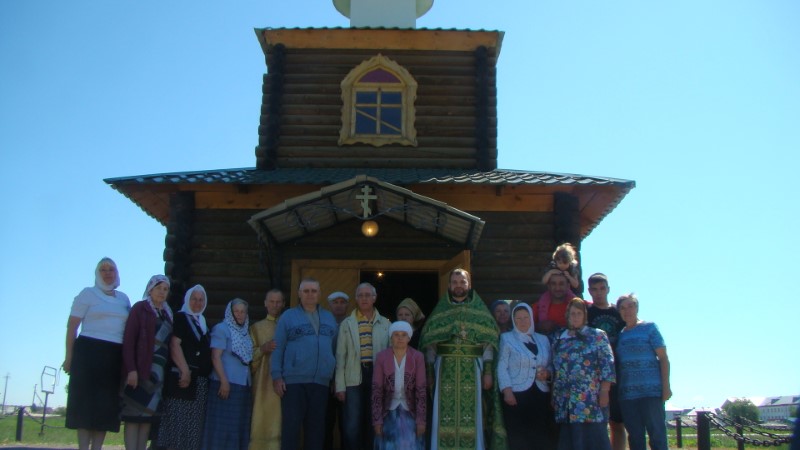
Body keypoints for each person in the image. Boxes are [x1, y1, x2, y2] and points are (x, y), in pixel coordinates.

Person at [419, 268, 506, 450]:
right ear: (449, 285)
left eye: (462, 282)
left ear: (469, 284)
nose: (458, 286)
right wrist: (429, 373)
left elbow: (488, 344)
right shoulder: (440, 311)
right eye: (455, 282)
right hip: (445, 370)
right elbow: (430, 344)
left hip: (473, 369)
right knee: (443, 413)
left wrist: (488, 372)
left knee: (473, 413)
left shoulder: (479, 311)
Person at [64, 257, 131, 450]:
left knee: (105, 406)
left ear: (117, 273)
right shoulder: (87, 294)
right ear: (97, 273)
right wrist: (69, 357)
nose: (108, 273)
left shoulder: (124, 299)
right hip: (88, 353)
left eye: (111, 269)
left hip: (113, 355)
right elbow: (72, 327)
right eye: (103, 269)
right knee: (85, 405)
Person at [272, 278, 337, 450]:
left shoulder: (329, 318)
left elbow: (335, 349)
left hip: (321, 383)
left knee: (316, 430)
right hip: (294, 383)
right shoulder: (288, 317)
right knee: (291, 428)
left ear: (319, 294)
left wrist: (334, 377)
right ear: (299, 294)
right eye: (306, 291)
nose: (310, 294)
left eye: (313, 291)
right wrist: (276, 376)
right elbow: (278, 347)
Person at [551, 298, 615, 450]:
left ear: (585, 315)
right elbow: (554, 368)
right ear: (567, 315)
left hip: (590, 400)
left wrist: (604, 391)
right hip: (565, 401)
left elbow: (607, 364)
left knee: (593, 441)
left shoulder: (597, 335)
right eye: (572, 313)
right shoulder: (559, 338)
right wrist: (553, 395)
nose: (575, 317)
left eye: (579, 313)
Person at [336, 283, 391, 450]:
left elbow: (389, 356)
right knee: (352, 424)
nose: (364, 298)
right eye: (360, 295)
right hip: (353, 376)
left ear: (374, 298)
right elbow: (340, 357)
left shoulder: (385, 324)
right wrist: (340, 386)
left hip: (377, 376)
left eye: (368, 295)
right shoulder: (347, 324)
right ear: (356, 298)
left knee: (374, 421)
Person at [121, 274, 174, 450]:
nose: (162, 292)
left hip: (158, 374)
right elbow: (129, 340)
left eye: (165, 289)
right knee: (133, 417)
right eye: (158, 288)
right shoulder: (140, 308)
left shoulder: (167, 313)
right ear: (150, 289)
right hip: (140, 369)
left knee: (147, 419)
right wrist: (131, 369)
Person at [157, 284, 212, 450]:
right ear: (188, 300)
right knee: (178, 423)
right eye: (194, 299)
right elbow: (175, 344)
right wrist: (185, 370)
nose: (197, 303)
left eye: (201, 300)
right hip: (182, 378)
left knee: (193, 427)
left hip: (199, 381)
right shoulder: (181, 318)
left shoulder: (203, 322)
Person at [616, 294, 671, 450]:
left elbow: (663, 358)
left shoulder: (649, 328)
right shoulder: (620, 335)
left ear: (637, 308)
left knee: (657, 436)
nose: (627, 311)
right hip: (628, 395)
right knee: (635, 438)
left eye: (630, 306)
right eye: (623, 308)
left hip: (651, 392)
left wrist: (666, 387)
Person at [497, 303, 554, 450]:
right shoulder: (506, 338)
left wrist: (547, 373)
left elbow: (551, 364)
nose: (523, 321)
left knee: (540, 435)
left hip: (540, 394)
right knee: (519, 437)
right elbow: (502, 366)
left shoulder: (543, 339)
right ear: (513, 320)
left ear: (531, 318)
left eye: (526, 317)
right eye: (518, 318)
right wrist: (507, 391)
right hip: (516, 394)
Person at [203, 298, 253, 450]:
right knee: (221, 428)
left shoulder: (245, 333)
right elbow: (215, 356)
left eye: (243, 312)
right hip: (225, 384)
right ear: (230, 313)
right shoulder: (222, 329)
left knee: (237, 427)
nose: (240, 314)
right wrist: (224, 381)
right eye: (236, 311)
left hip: (242, 385)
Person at [371, 321, 427, 450]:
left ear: (409, 338)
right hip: (388, 411)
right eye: (396, 335)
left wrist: (421, 421)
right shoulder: (382, 357)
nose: (400, 338)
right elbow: (377, 390)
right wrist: (377, 420)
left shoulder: (417, 357)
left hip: (410, 411)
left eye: (403, 335)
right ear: (391, 337)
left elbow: (421, 390)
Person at [586, 273, 626, 450]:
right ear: (589, 291)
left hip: (617, 371)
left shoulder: (618, 312)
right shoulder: (587, 313)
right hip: (594, 374)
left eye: (602, 288)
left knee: (617, 421)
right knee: (597, 422)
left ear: (608, 289)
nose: (599, 293)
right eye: (595, 289)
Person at [249, 289, 286, 450]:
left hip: (286, 381)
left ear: (283, 304)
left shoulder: (288, 325)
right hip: (263, 383)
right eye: (272, 301)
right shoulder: (256, 328)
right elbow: (248, 357)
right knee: (263, 417)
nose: (275, 305)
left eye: (278, 302)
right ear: (265, 303)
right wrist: (262, 349)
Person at [326, 290, 350, 450]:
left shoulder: (351, 324)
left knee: (346, 424)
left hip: (347, 382)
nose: (339, 305)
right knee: (326, 423)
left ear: (347, 305)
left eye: (342, 302)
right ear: (330, 305)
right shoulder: (323, 324)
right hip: (325, 382)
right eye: (335, 302)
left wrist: (339, 380)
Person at [534, 270, 576, 336]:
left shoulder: (578, 306)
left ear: (568, 286)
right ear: (548, 286)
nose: (557, 288)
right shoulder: (538, 307)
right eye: (553, 284)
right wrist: (541, 326)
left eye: (561, 284)